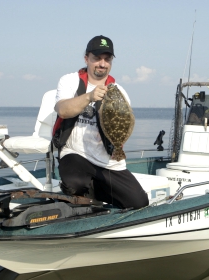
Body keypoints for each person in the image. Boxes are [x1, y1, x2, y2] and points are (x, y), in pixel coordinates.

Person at [54, 35, 149, 209]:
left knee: (139, 202)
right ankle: (84, 191)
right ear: (86, 58)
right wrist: (89, 96)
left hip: (107, 160)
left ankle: (93, 192)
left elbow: (124, 122)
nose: (102, 63)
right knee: (74, 184)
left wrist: (117, 145)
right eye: (97, 58)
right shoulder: (69, 81)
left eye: (107, 59)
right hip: (76, 154)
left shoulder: (119, 91)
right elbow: (62, 110)